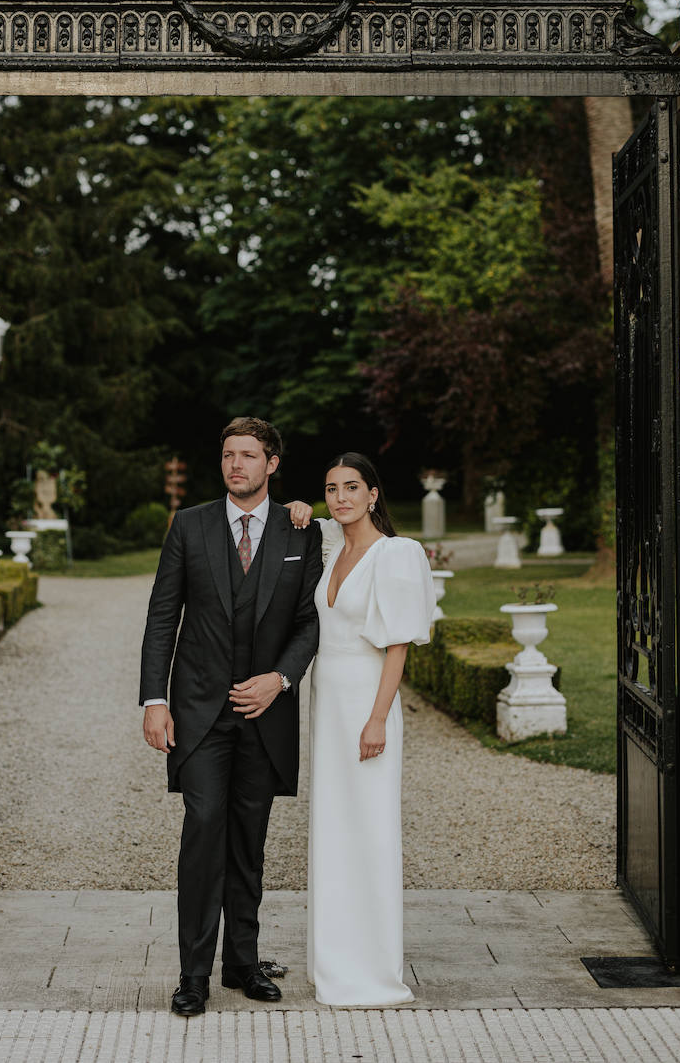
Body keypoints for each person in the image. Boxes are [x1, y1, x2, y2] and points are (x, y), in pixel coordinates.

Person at [140, 416, 322, 1017]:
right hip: (199, 714)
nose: (235, 464)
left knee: (250, 841)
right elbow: (163, 616)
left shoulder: (303, 532)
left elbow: (310, 621)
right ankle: (193, 974)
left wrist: (281, 678)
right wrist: (154, 700)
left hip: (266, 713)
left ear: (272, 463)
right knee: (203, 832)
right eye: (227, 455)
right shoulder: (189, 526)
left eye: (248, 455)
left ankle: (242, 963)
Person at [290, 452, 435, 1007]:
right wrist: (301, 505)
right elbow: (292, 514)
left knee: (369, 830)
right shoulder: (332, 547)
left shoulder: (395, 553)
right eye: (331, 488)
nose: (341, 497)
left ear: (374, 494)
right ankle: (334, 960)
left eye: (353, 487)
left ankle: (371, 969)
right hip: (326, 701)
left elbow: (397, 643)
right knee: (332, 829)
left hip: (367, 702)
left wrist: (378, 717)